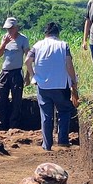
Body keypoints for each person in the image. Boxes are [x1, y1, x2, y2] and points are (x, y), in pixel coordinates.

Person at [24, 22, 79, 151]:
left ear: (46, 33)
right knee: (64, 111)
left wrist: (33, 75)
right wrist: (73, 81)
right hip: (61, 85)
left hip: (43, 85)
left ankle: (47, 145)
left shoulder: (37, 45)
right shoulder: (63, 45)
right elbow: (69, 65)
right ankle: (63, 140)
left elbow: (27, 61)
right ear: (57, 33)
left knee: (46, 116)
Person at [0, 17, 30, 130]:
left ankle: (14, 125)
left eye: (10, 28)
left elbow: (28, 57)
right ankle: (1, 124)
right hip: (4, 72)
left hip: (16, 73)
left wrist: (28, 75)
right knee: (0, 99)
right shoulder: (4, 38)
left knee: (16, 100)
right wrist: (4, 44)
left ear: (16, 28)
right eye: (7, 29)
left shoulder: (23, 39)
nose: (9, 31)